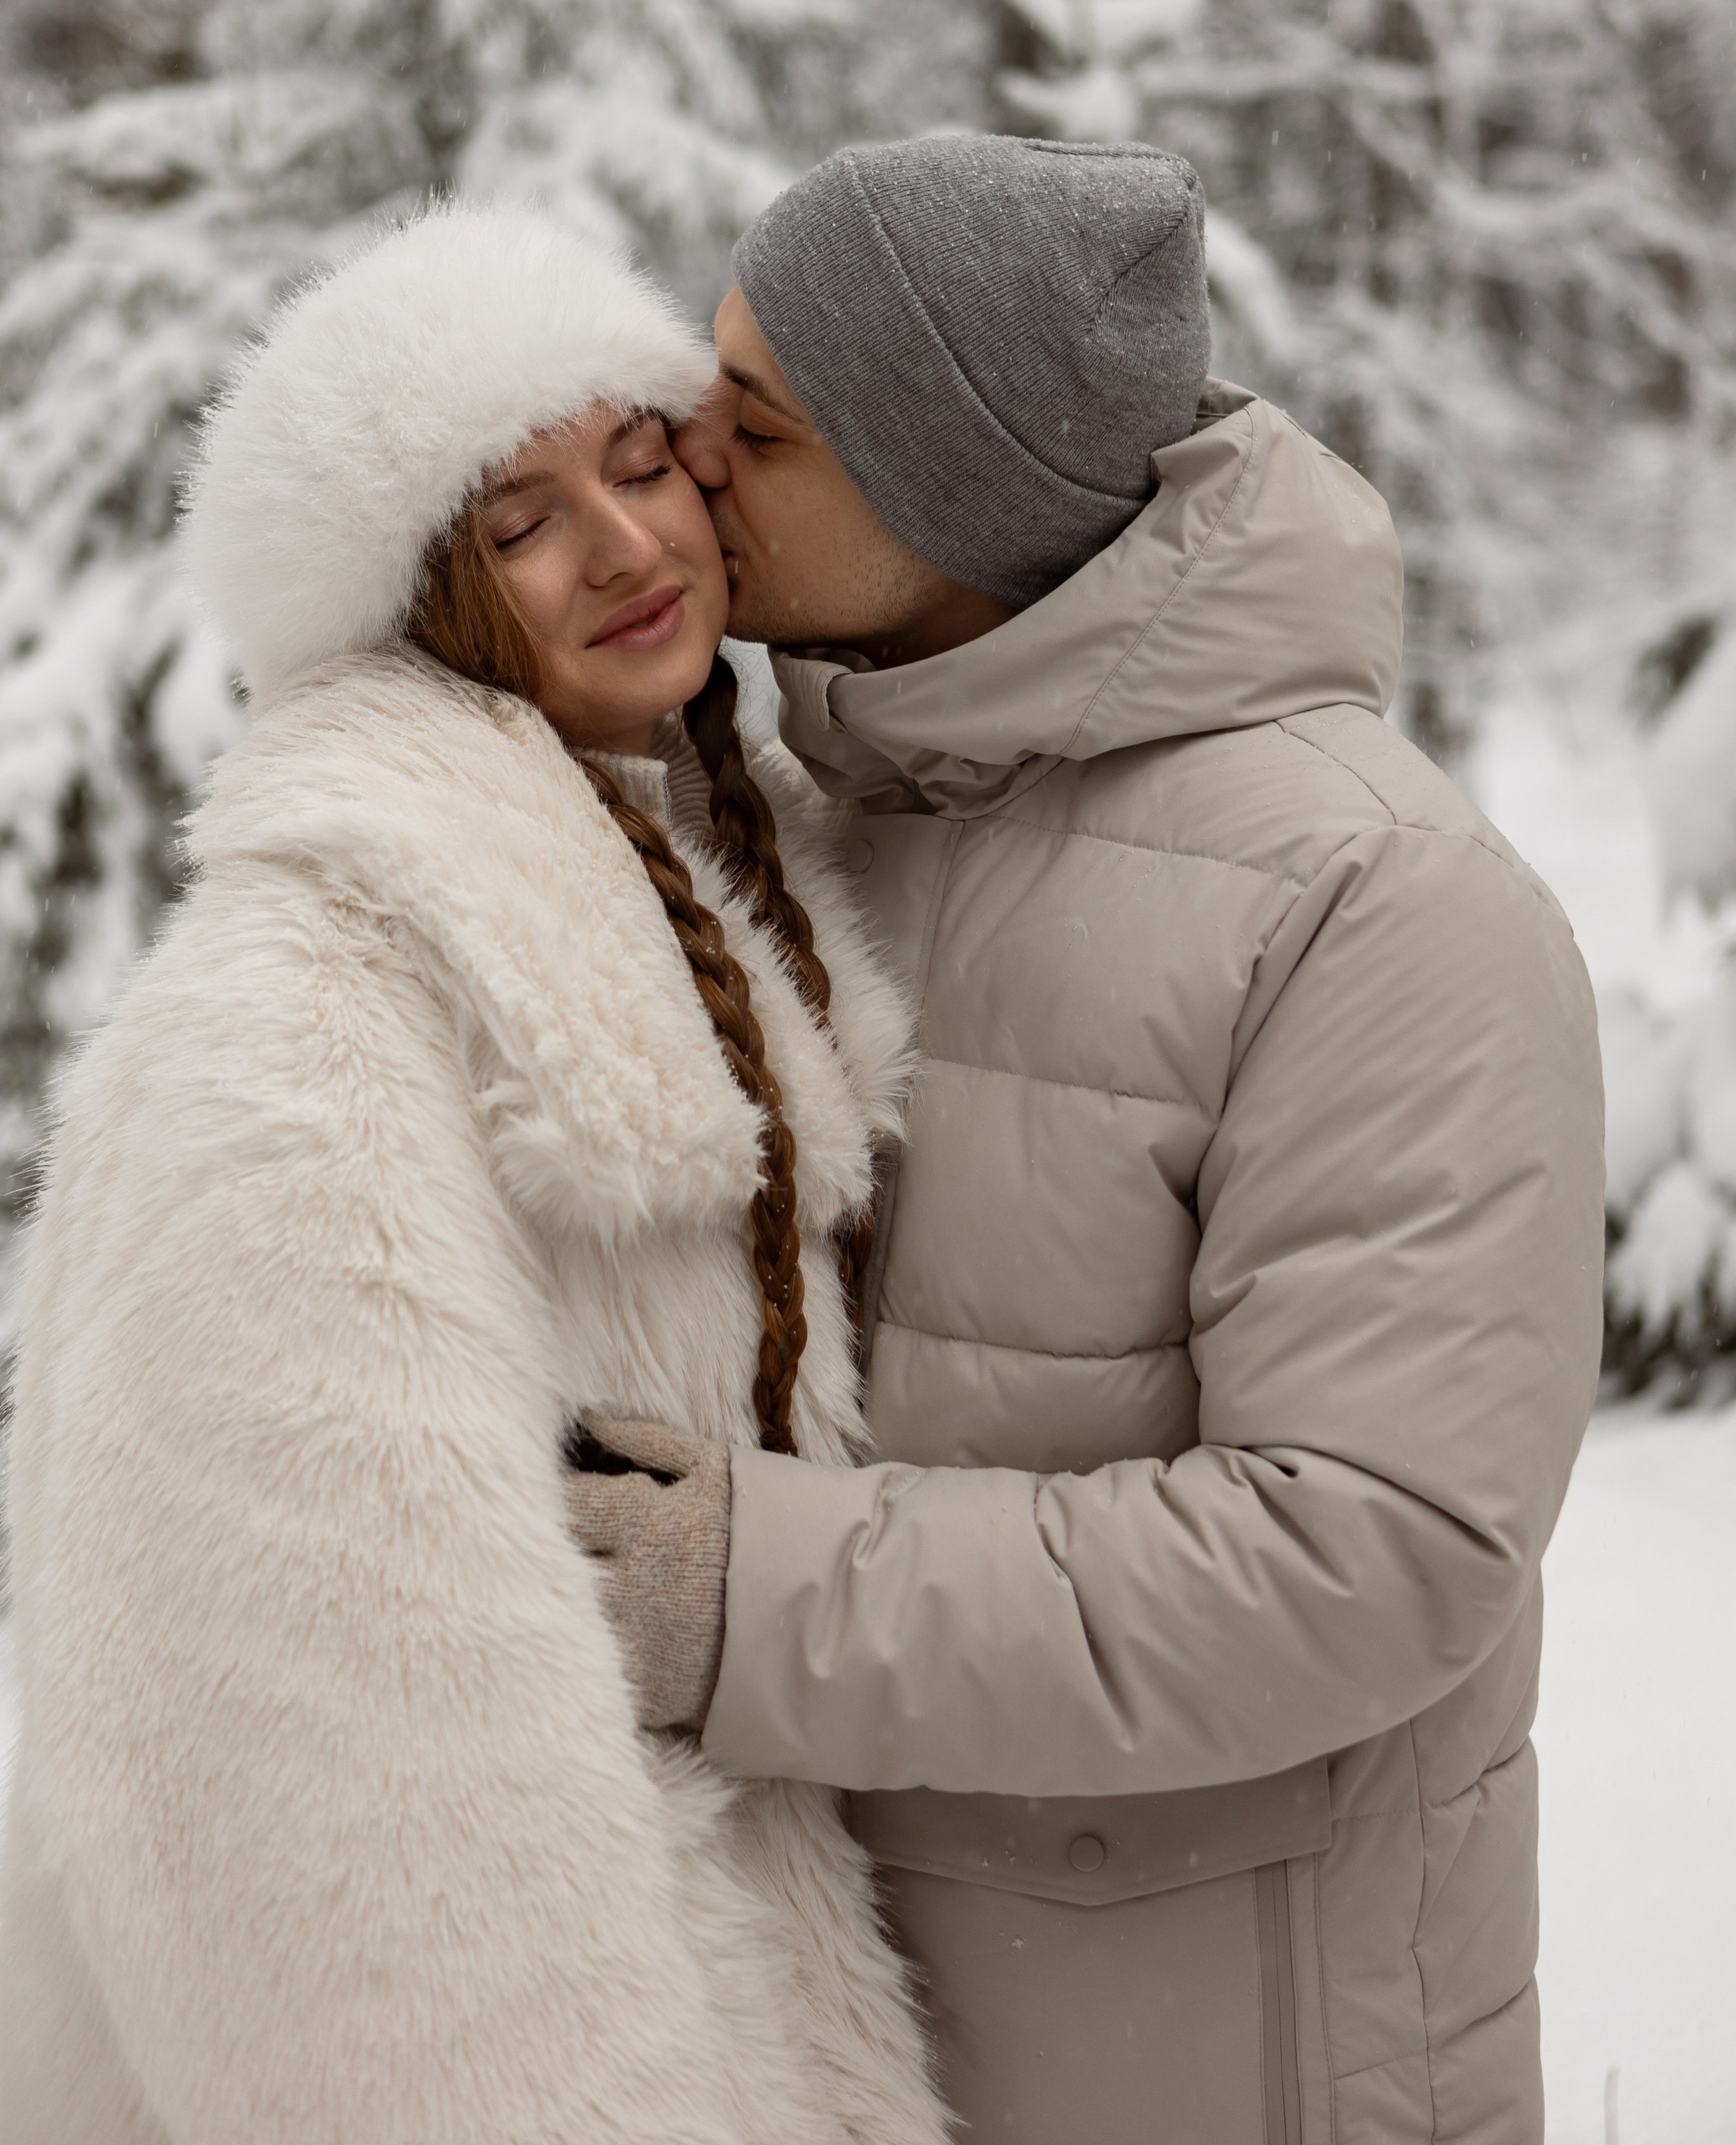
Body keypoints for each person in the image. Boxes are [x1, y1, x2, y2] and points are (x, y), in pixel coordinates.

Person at [572, 135, 1609, 2145]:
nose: (691, 454)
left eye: (760, 422)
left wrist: (742, 1598)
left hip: (1211, 2061)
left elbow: (1372, 1551)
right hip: (846, 2033)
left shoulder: (1375, 897)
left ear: (951, 485)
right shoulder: (816, 828)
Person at [0, 205, 949, 2145]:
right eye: (514, 521)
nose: (622, 547)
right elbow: (323, 1782)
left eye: (640, 461)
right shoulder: (306, 1018)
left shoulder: (717, 883)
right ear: (409, 596)